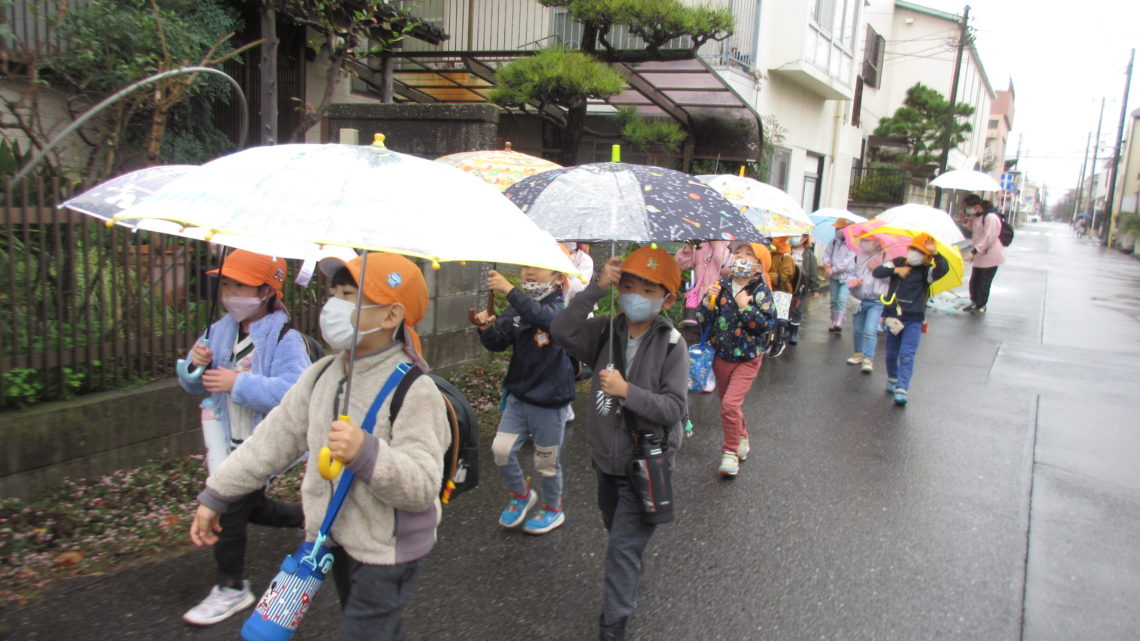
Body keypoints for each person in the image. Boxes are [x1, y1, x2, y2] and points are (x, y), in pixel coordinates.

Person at [188, 252, 451, 640]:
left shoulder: (415, 391)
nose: (333, 305)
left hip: (389, 548)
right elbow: (271, 441)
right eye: (334, 293)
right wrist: (217, 494)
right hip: (335, 534)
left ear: (391, 316)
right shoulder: (322, 375)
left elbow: (422, 485)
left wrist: (366, 450)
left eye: (349, 295)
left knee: (365, 631)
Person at [551, 246, 689, 641]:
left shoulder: (672, 344)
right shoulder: (604, 332)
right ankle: (628, 575)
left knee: (621, 548)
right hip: (606, 462)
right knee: (617, 533)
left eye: (648, 289)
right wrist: (596, 288)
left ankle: (613, 626)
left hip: (647, 464)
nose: (636, 296)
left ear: (667, 299)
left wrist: (627, 391)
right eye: (628, 286)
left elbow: (674, 408)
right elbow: (562, 331)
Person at [179, 249, 310, 626]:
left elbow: (294, 393)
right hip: (223, 437)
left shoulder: (285, 339)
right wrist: (194, 366)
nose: (228, 292)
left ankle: (231, 586)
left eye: (239, 285)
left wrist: (239, 382)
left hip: (261, 444)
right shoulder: (220, 330)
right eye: (225, 283)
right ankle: (308, 518)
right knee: (248, 506)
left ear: (267, 291)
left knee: (229, 508)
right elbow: (191, 384)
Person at [473, 261, 575, 534]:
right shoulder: (518, 307)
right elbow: (500, 341)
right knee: (501, 450)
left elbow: (546, 319)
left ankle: (554, 508)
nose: (528, 272)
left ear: (557, 278)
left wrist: (509, 290)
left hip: (550, 401)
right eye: (525, 267)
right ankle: (521, 494)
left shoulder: (562, 307)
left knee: (546, 461)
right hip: (519, 396)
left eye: (537, 267)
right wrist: (486, 329)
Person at [698, 243, 775, 477]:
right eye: (738, 254)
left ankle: (730, 452)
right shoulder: (720, 285)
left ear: (759, 265)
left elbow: (767, 325)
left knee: (729, 405)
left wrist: (745, 308)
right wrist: (707, 301)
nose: (740, 258)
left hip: (749, 357)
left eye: (747, 255)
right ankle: (741, 436)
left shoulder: (761, 291)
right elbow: (705, 319)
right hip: (722, 355)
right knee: (729, 403)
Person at [872, 234, 949, 406]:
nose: (915, 253)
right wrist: (895, 271)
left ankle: (902, 387)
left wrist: (936, 254)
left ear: (926, 256)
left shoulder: (926, 271)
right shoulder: (898, 262)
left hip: (913, 319)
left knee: (907, 354)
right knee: (891, 354)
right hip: (894, 317)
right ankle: (893, 377)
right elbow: (877, 272)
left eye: (920, 251)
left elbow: (943, 270)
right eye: (913, 249)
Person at [844, 238, 890, 373]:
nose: (864, 242)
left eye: (868, 240)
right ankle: (858, 353)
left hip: (876, 301)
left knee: (870, 330)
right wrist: (853, 282)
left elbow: (891, 278)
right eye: (863, 239)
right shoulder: (858, 256)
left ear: (876, 241)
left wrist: (878, 269)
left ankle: (868, 359)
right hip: (859, 298)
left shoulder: (887, 257)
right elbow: (850, 274)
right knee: (857, 329)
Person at [961, 194, 1006, 314]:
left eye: (967, 207)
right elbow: (975, 229)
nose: (967, 209)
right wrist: (965, 220)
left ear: (976, 206)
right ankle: (974, 301)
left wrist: (974, 251)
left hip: (991, 254)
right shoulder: (977, 215)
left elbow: (988, 237)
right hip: (980, 254)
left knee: (984, 281)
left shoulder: (991, 217)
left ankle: (981, 304)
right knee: (975, 280)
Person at [674, 240, 732, 326]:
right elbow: (678, 264)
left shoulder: (727, 245)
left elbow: (726, 268)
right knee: (698, 331)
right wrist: (688, 248)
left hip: (719, 298)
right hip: (699, 300)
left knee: (716, 328)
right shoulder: (700, 246)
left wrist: (717, 245)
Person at [821, 219, 857, 332]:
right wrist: (826, 264)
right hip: (833, 276)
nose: (837, 231)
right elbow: (826, 254)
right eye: (837, 229)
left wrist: (833, 269)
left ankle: (839, 322)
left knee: (841, 299)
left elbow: (847, 262)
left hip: (847, 276)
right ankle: (834, 321)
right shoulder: (833, 242)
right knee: (834, 299)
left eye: (840, 229)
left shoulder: (852, 244)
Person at [787, 234, 820, 345]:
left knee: (797, 309)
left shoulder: (809, 255)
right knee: (787, 308)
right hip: (787, 286)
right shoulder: (787, 252)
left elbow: (813, 273)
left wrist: (815, 288)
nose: (794, 238)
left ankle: (793, 333)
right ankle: (787, 329)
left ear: (805, 238)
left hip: (800, 287)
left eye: (797, 236)